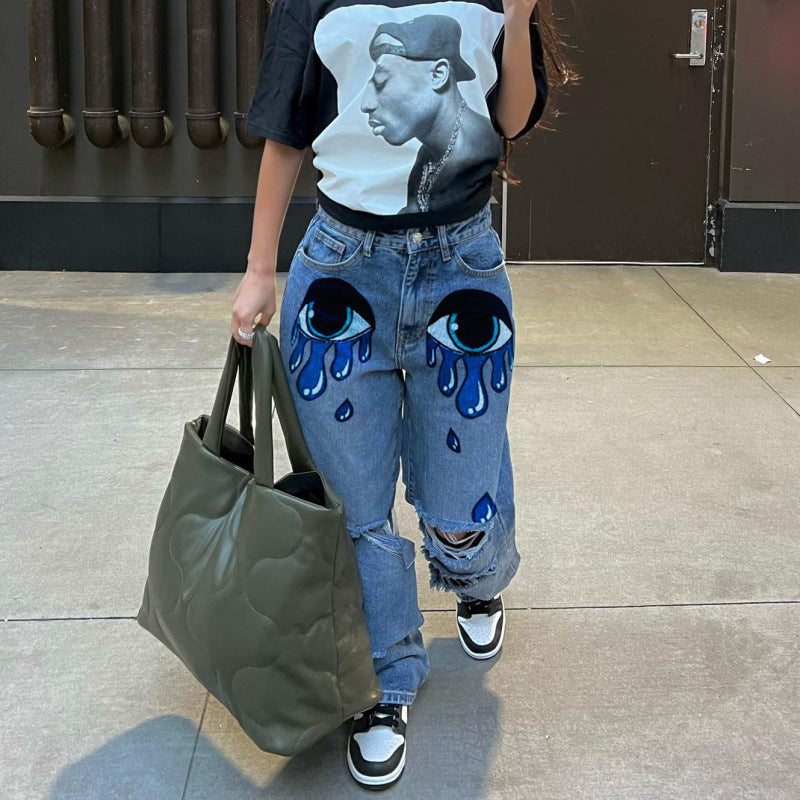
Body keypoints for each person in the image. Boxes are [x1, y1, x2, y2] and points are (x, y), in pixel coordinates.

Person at [231, 0, 572, 788]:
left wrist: (520, 15)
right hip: (341, 270)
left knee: (459, 510)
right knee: (355, 506)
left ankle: (477, 580)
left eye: (390, 79)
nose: (375, 92)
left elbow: (511, 119)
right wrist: (258, 270)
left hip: (462, 265)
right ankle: (385, 682)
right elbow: (286, 131)